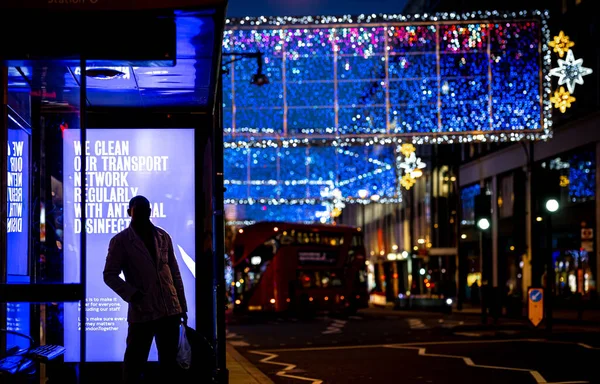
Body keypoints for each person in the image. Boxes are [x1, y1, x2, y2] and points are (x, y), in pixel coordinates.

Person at [103, 195, 187, 384]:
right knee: (134, 363)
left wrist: (182, 306)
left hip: (169, 310)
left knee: (169, 365)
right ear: (129, 212)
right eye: (138, 209)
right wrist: (132, 294)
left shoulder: (163, 237)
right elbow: (109, 274)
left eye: (145, 209)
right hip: (143, 311)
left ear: (150, 211)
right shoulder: (121, 241)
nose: (143, 212)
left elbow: (175, 273)